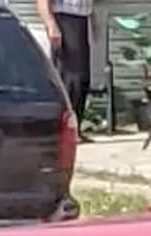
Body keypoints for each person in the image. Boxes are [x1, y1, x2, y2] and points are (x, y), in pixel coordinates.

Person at [37, 0, 93, 141]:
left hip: (82, 17)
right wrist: (51, 24)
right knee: (70, 77)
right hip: (64, 18)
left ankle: (75, 129)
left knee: (82, 78)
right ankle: (63, 130)